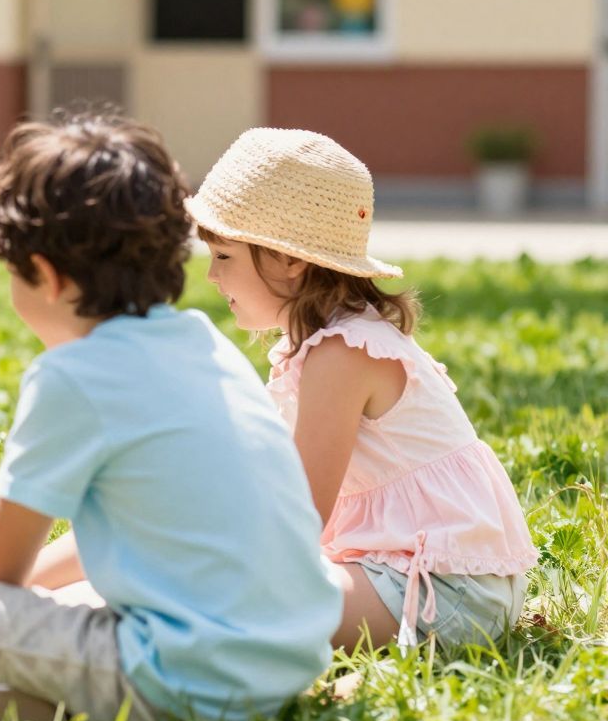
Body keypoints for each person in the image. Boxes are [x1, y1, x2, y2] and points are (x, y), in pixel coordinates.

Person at [0, 115, 340, 721]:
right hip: (289, 659)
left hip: (189, 678)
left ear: (46, 276)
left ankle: (45, 707)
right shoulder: (203, 344)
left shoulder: (73, 376)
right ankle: (51, 696)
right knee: (68, 600)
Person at [192, 127, 535, 649]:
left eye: (224, 257)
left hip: (448, 590)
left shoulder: (343, 354)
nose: (213, 278)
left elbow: (298, 514)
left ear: (289, 259)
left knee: (228, 604)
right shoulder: (325, 343)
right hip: (415, 570)